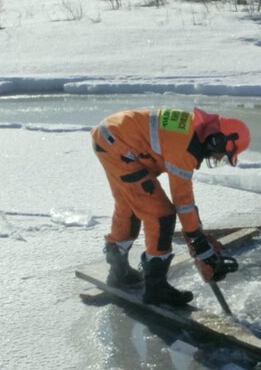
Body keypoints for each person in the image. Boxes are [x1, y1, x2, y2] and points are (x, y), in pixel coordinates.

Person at [91, 107, 250, 305]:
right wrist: (198, 241)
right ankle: (156, 288)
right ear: (216, 139)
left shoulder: (194, 131)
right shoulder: (185, 146)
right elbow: (182, 201)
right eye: (220, 154)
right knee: (161, 214)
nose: (217, 158)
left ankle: (118, 271)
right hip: (120, 147)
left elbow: (185, 202)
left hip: (111, 138)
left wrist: (196, 234)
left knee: (129, 206)